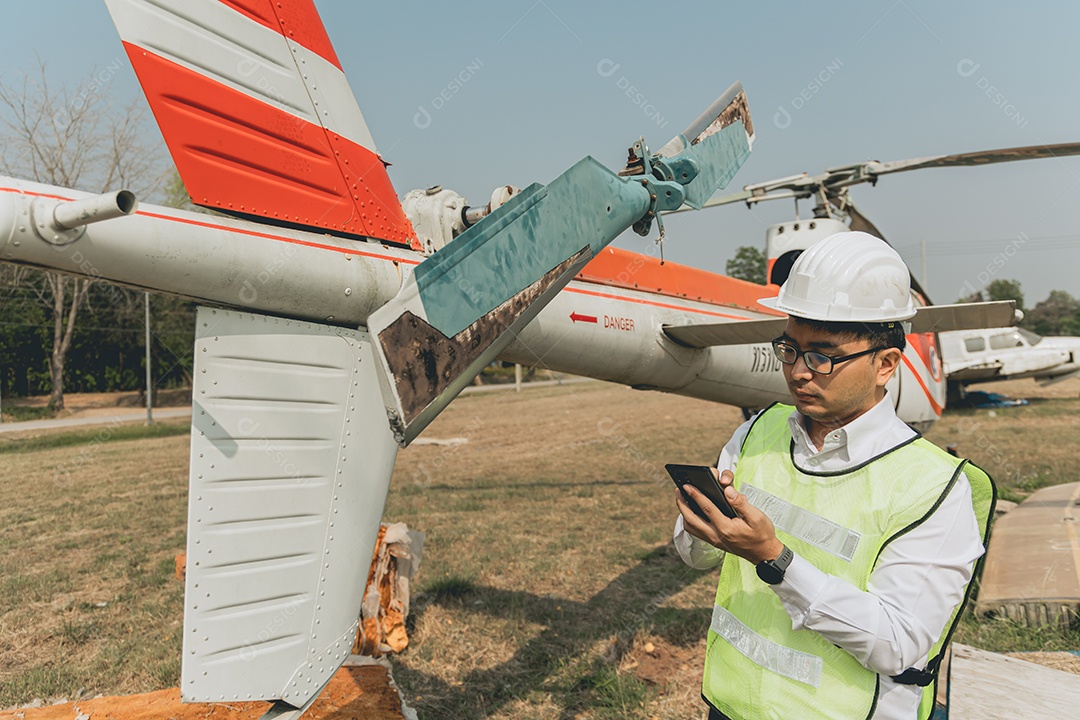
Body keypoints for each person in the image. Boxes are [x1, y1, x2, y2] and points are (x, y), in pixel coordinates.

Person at [673, 232, 995, 720]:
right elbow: (694, 555)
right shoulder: (757, 433)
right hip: (732, 707)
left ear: (885, 364)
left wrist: (773, 559)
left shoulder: (934, 488)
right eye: (789, 349)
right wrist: (701, 528)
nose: (799, 372)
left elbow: (897, 644)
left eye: (822, 356)